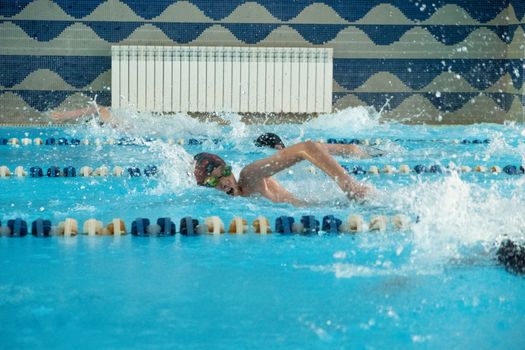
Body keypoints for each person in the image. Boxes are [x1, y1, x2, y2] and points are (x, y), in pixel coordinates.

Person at [194, 141, 374, 206]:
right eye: (212, 182)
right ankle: (352, 149)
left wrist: (349, 186)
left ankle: (354, 150)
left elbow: (307, 147)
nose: (223, 182)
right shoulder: (233, 200)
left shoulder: (249, 176)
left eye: (225, 172)